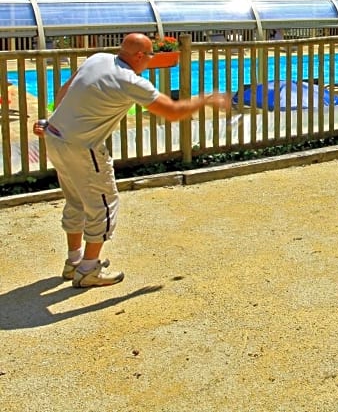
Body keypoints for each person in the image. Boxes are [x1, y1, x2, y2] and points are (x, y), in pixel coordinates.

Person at [32, 33, 230, 288]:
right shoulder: (129, 81)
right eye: (149, 55)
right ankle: (89, 269)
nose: (150, 60)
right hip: (83, 148)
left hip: (56, 137)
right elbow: (172, 111)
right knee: (103, 204)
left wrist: (55, 121)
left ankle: (74, 261)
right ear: (139, 56)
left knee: (76, 200)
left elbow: (65, 91)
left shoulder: (98, 59)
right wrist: (206, 99)